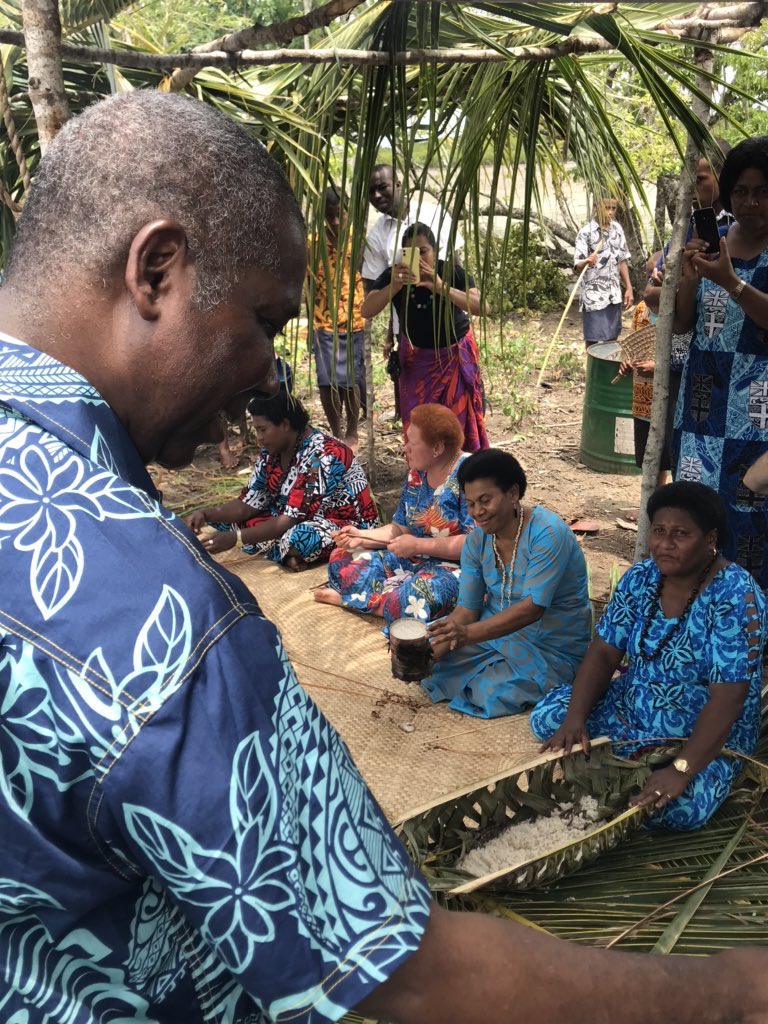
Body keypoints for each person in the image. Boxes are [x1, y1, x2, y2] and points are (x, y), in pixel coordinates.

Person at [3, 93, 768, 1024]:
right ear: (156, 271)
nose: (270, 375)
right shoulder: (150, 615)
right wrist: (730, 992)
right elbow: (407, 970)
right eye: (266, 320)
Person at [533, 482, 765, 831]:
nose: (665, 544)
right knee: (550, 718)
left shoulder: (736, 595)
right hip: (632, 706)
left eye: (680, 534)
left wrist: (680, 770)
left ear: (710, 538)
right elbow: (604, 651)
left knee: (680, 809)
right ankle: (625, 761)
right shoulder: (641, 577)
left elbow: (728, 698)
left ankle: (646, 767)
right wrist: (575, 719)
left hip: (698, 730)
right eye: (658, 531)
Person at [425, 449, 592, 718]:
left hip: (550, 646)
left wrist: (466, 635)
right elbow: (466, 610)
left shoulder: (547, 533)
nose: (477, 512)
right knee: (434, 666)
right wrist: (431, 650)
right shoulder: (477, 541)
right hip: (494, 636)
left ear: (513, 493)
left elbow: (533, 608)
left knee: (489, 691)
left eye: (485, 500)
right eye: (470, 503)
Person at [673, 135, 768, 588]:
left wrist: (731, 281)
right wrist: (691, 279)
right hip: (702, 408)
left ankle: (750, 629)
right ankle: (697, 612)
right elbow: (679, 325)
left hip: (759, 415)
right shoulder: (711, 242)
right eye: (741, 192)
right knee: (695, 519)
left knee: (753, 526)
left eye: (763, 191)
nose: (751, 203)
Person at [185, 385, 379, 570]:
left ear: (285, 424)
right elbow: (248, 504)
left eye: (262, 429)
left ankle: (286, 550)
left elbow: (288, 521)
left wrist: (235, 538)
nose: (259, 437)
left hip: (342, 524)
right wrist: (206, 514)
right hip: (287, 516)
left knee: (302, 538)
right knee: (225, 522)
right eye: (256, 430)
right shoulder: (271, 450)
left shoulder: (321, 456)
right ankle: (284, 553)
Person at [315, 404, 473, 622]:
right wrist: (362, 536)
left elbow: (475, 543)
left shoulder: (471, 474)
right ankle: (387, 603)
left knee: (418, 593)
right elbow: (399, 528)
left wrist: (418, 545)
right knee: (342, 558)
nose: (405, 448)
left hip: (458, 569)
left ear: (437, 448)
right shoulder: (417, 475)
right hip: (414, 559)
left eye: (412, 443)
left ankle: (361, 601)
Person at [643, 145, 733, 472]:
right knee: (679, 449)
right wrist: (680, 280)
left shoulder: (738, 233)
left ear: (724, 178)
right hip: (684, 357)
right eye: (687, 182)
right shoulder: (685, 230)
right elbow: (653, 295)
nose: (692, 190)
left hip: (729, 364)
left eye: (700, 179)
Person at [360, 222, 488, 452]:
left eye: (424, 251)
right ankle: (425, 472)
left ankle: (459, 467)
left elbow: (482, 306)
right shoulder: (394, 275)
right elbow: (366, 310)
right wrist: (395, 286)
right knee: (420, 421)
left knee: (454, 420)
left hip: (454, 358)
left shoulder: (450, 272)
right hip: (417, 363)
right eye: (411, 253)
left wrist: (440, 287)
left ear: (435, 251)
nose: (418, 259)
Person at [308, 186, 366, 450]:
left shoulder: (359, 241)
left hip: (353, 319)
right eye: (328, 216)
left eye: (338, 215)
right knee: (326, 381)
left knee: (350, 380)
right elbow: (308, 285)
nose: (334, 222)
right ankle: (336, 431)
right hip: (323, 321)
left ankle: (353, 430)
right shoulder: (313, 244)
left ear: (348, 214)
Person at [573, 196, 633, 347]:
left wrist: (629, 287)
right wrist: (586, 261)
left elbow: (622, 259)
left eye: (613, 208)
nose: (610, 212)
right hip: (594, 296)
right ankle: (593, 370)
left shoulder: (617, 229)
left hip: (613, 293)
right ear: (595, 207)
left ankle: (609, 370)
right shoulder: (585, 233)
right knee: (592, 340)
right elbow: (577, 264)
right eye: (607, 208)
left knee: (612, 338)